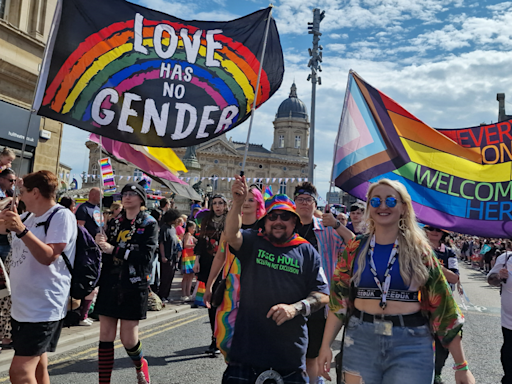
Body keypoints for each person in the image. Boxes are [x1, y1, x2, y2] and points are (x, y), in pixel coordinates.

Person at [318, 178, 475, 384]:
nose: (382, 206)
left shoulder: (420, 251)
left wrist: (461, 366)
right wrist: (325, 345)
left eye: (390, 201)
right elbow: (338, 301)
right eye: (375, 201)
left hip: (411, 344)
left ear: (403, 207)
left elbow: (444, 307)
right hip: (360, 341)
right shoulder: (354, 248)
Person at [222, 176, 329, 383]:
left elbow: (323, 295)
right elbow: (232, 235)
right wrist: (237, 204)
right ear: (265, 221)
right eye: (273, 217)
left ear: (294, 222)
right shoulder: (253, 242)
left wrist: (295, 308)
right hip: (247, 351)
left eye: (285, 217)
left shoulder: (307, 251)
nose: (278, 221)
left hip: (289, 354)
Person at [0, 170, 77, 384]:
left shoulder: (61, 216)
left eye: (22, 191)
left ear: (35, 192)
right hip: (22, 306)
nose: (20, 196)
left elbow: (49, 256)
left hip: (43, 306)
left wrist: (22, 230)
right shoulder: (28, 217)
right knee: (38, 368)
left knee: (20, 373)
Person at [94, 183, 158, 384]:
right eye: (125, 194)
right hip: (110, 282)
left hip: (133, 284)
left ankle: (140, 365)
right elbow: (106, 252)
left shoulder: (149, 223)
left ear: (141, 200)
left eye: (132, 194)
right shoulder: (113, 222)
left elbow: (145, 257)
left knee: (128, 338)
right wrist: (100, 242)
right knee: (105, 335)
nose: (128, 197)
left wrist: (113, 249)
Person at [292, 182, 354, 383]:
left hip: (319, 301)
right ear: (294, 202)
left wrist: (337, 224)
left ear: (314, 203)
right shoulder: (286, 228)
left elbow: (353, 243)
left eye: (308, 199)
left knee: (313, 356)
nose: (304, 203)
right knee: (290, 355)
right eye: (300, 199)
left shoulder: (325, 230)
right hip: (289, 299)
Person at [203, 185, 265, 359]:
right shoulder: (229, 229)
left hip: (257, 290)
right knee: (225, 338)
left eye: (251, 199)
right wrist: (209, 286)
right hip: (231, 289)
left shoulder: (264, 229)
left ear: (258, 203)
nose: (246, 203)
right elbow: (219, 258)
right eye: (244, 199)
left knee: (255, 338)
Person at [425, 225, 461, 384]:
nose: (434, 232)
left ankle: (437, 372)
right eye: (430, 228)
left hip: (441, 304)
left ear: (443, 233)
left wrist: (433, 264)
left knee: (442, 343)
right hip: (417, 302)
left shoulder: (449, 252)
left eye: (438, 230)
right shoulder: (416, 247)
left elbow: (454, 278)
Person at [194, 194, 228, 355]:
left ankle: (226, 336)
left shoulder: (231, 220)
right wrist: (197, 260)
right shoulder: (206, 221)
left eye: (220, 203)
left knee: (226, 301)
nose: (217, 206)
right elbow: (201, 242)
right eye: (214, 203)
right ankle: (214, 339)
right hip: (209, 265)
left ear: (226, 205)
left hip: (227, 265)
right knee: (212, 302)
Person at [488, 240, 512, 384]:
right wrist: (499, 277)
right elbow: (491, 280)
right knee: (509, 350)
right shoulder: (505, 258)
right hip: (509, 319)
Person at [158, 209, 181, 303]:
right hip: (166, 256)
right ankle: (162, 296)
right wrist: (163, 256)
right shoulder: (164, 228)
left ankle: (166, 295)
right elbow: (161, 243)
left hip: (173, 256)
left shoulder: (172, 228)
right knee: (165, 277)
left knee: (170, 278)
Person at [0, 169, 15, 262]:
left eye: (14, 181)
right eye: (11, 180)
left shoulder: (10, 192)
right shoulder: (9, 195)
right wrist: (9, 199)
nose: (13, 183)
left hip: (7, 238)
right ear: (1, 179)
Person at [181, 221, 197, 301]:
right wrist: (194, 245)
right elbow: (186, 245)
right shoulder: (187, 235)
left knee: (191, 276)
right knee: (186, 276)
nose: (194, 229)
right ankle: (184, 294)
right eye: (193, 227)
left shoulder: (191, 235)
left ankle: (188, 293)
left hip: (191, 257)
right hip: (187, 257)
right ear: (188, 228)